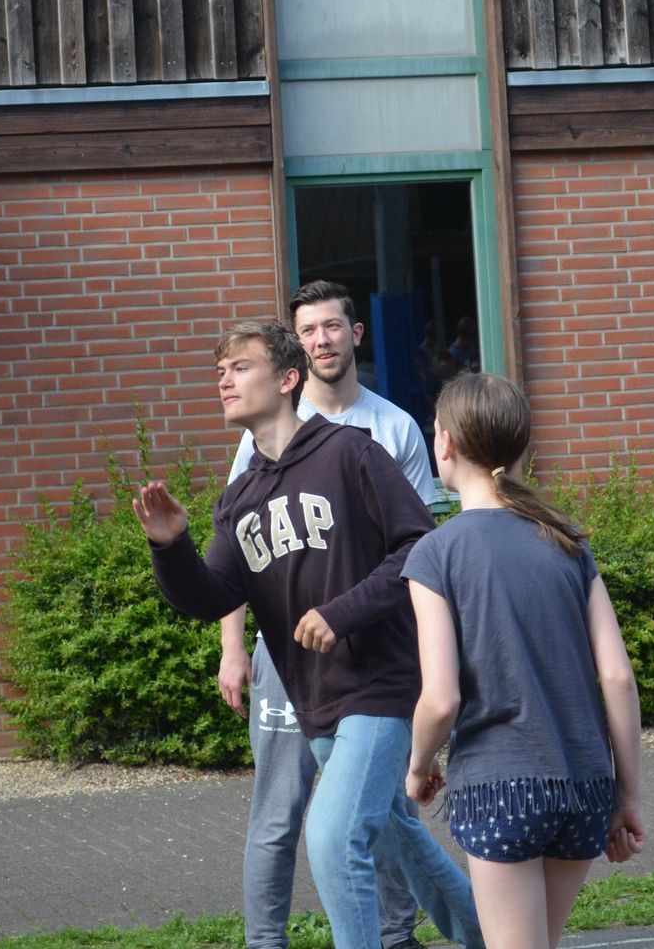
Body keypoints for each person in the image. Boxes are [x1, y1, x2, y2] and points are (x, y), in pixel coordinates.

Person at [133, 320, 482, 949]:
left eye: (240, 367)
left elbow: (417, 548)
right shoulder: (238, 500)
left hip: (379, 686)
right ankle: (499, 938)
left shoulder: (350, 453)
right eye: (221, 371)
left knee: (331, 835)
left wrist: (341, 612)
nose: (224, 379)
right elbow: (211, 595)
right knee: (400, 838)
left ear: (288, 379)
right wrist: (170, 546)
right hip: (314, 699)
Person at [216, 281, 437, 949]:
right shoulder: (257, 443)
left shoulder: (387, 431)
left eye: (332, 327)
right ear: (297, 353)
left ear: (354, 334)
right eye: (308, 329)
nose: (322, 339)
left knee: (374, 819)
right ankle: (265, 942)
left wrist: (426, 669)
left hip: (368, 659)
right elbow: (231, 561)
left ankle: (398, 935)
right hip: (287, 662)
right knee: (281, 816)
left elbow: (415, 557)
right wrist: (233, 648)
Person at [403, 373, 646, 949]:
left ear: (446, 444)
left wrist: (417, 768)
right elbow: (617, 677)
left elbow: (440, 699)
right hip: (586, 785)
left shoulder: (436, 553)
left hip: (500, 784)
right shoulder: (566, 541)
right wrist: (627, 796)